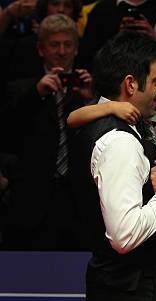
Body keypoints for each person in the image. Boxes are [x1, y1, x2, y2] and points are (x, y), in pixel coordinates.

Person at [70, 31, 156, 301]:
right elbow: (125, 235)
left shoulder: (100, 119)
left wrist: (151, 182)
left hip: (119, 287)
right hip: (131, 292)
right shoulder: (119, 142)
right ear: (131, 84)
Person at [3, 14, 92, 250]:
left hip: (79, 203)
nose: (62, 51)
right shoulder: (20, 89)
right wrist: (37, 94)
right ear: (41, 49)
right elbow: (8, 133)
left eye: (68, 44)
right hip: (31, 202)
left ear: (76, 48)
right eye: (54, 45)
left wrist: (93, 101)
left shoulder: (91, 90)